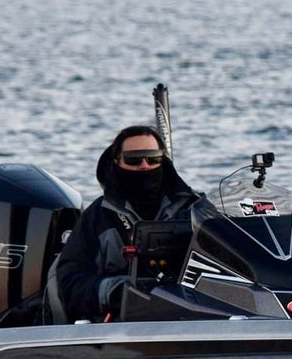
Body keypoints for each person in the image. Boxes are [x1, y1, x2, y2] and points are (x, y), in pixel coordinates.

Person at [55, 125, 199, 321]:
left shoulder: (195, 209)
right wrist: (118, 291)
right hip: (121, 327)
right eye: (134, 159)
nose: (144, 166)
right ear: (117, 162)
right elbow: (70, 284)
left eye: (153, 158)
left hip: (193, 317)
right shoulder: (98, 216)